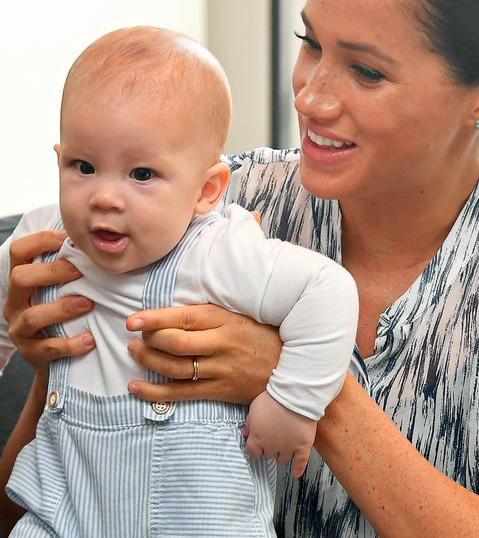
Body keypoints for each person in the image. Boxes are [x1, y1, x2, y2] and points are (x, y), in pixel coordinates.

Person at [2, 0, 479, 536]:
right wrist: (63, 363)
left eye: (365, 70)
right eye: (311, 44)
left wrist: (306, 391)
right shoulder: (217, 200)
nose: (310, 96)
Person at [0, 27, 358, 537]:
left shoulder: (217, 251)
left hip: (198, 519)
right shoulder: (44, 238)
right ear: (59, 160)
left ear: (206, 191)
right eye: (84, 166)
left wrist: (291, 403)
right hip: (65, 514)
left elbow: (326, 290)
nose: (105, 197)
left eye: (141, 174)